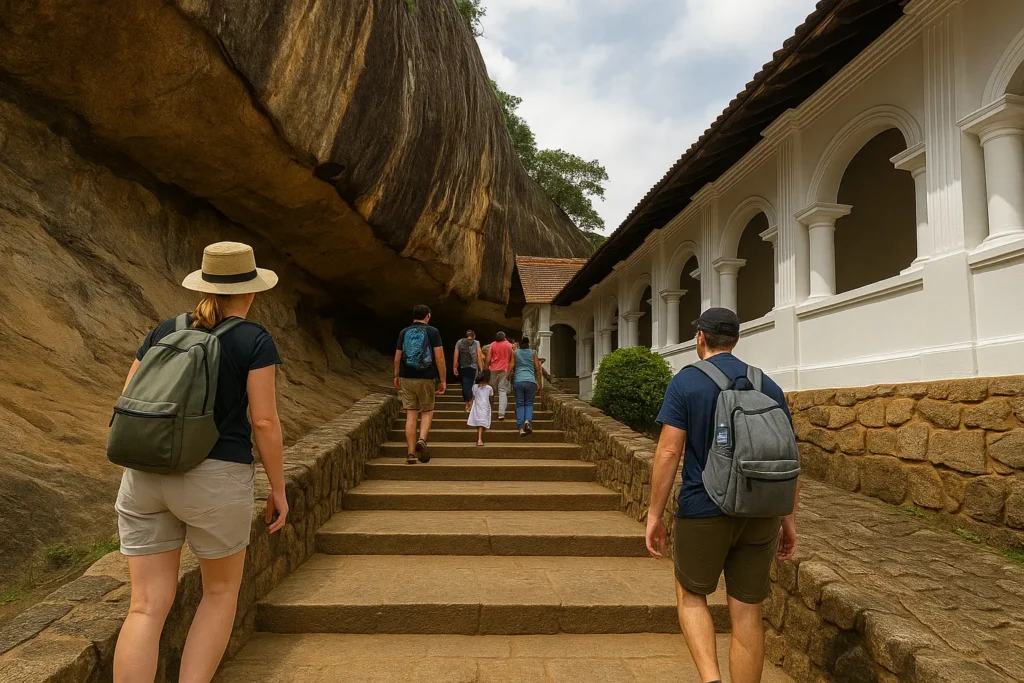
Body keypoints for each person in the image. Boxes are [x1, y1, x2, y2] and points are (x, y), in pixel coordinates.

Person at [112, 241, 289, 683]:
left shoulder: (164, 330)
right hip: (215, 478)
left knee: (146, 606)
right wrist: (278, 489)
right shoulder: (254, 339)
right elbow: (264, 421)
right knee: (220, 592)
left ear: (205, 285)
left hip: (147, 474)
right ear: (251, 291)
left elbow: (127, 399)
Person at [645, 308, 799, 683]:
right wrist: (788, 519)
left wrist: (654, 515)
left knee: (691, 596)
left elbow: (668, 452)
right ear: (735, 339)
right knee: (747, 612)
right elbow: (787, 454)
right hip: (761, 510)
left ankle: (711, 680)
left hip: (704, 507)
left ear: (700, 337)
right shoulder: (768, 386)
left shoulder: (687, 383)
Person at [394, 304, 446, 464]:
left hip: (407, 377)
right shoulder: (433, 332)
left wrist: (396, 375)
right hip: (426, 377)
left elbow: (397, 357)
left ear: (413, 316)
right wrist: (443, 380)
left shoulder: (404, 332)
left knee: (411, 414)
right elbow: (439, 358)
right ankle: (422, 440)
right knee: (427, 410)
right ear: (428, 316)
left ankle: (410, 454)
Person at [508, 336, 542, 438]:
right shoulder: (533, 353)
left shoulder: (515, 352)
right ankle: (527, 421)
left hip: (518, 381)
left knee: (520, 404)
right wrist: (538, 382)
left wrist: (506, 376)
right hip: (530, 381)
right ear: (528, 344)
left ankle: (521, 428)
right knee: (529, 403)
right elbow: (537, 368)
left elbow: (511, 365)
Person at [484, 331, 514, 421]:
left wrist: (485, 371)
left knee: (491, 390)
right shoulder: (509, 345)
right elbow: (512, 361)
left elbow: (488, 359)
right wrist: (508, 371)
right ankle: (501, 414)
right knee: (502, 391)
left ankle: (488, 411)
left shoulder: (492, 345)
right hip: (504, 370)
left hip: (493, 369)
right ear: (504, 337)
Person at [453, 330, 484, 412]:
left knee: (464, 385)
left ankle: (467, 403)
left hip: (462, 367)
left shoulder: (459, 342)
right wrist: (481, 368)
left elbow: (456, 355)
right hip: (473, 367)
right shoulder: (476, 342)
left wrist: (454, 367)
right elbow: (479, 356)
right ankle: (470, 402)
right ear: (473, 336)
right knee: (471, 384)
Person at [467, 370, 493, 446]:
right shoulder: (489, 388)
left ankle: (480, 437)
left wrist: (470, 405)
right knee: (482, 422)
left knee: (480, 422)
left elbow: (473, 397)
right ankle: (479, 439)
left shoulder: (475, 387)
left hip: (477, 406)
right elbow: (491, 398)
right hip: (485, 406)